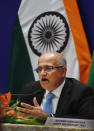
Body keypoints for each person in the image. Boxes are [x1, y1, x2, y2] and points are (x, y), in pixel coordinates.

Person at [17, 52, 94, 120]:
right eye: (40, 69)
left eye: (48, 68)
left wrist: (49, 117)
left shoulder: (80, 92)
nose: (42, 73)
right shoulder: (30, 90)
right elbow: (19, 116)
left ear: (63, 71)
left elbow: (87, 121)